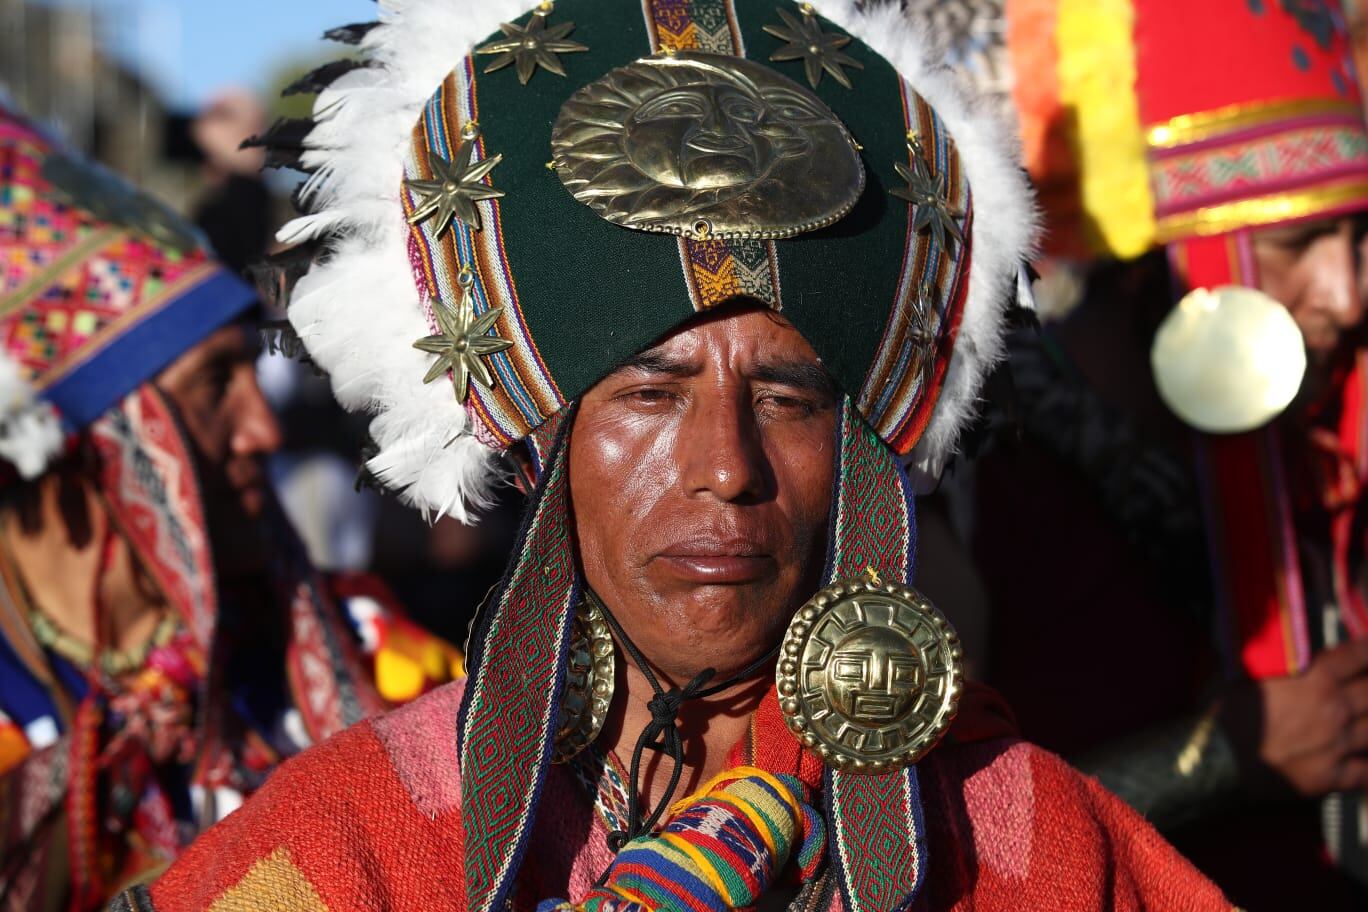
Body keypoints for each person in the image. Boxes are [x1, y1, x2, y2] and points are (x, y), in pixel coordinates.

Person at [121, 2, 1231, 910]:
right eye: (651, 395)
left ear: (856, 451)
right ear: (544, 443)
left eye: (787, 398)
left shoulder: (1028, 844)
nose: (726, 467)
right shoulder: (355, 844)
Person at [905, 0, 1368, 907]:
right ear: (1162, 253)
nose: (1349, 295)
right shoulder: (974, 474)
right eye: (1297, 242)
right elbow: (926, 837)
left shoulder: (1324, 431)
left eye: (1360, 239)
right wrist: (1217, 758)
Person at [0, 107, 456, 911]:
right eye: (213, 386)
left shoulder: (365, 644)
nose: (262, 429)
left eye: (251, 373)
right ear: (89, 445)